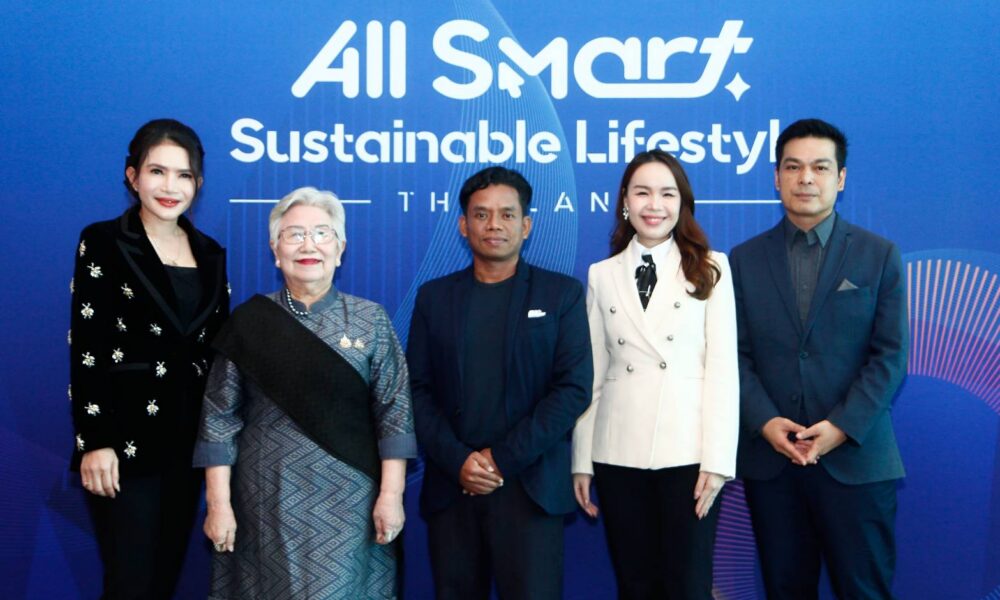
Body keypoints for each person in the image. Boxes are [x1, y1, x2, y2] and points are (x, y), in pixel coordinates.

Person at [193, 186, 416, 599]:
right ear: (275, 250)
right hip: (265, 499)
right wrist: (219, 504)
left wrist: (391, 495)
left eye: (321, 233)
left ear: (340, 248)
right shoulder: (249, 322)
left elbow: (395, 413)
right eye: (294, 234)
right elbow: (219, 418)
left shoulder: (370, 320)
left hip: (353, 502)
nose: (308, 245)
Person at [729, 118, 907, 599]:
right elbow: (733, 356)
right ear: (776, 177)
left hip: (857, 461)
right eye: (793, 167)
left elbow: (890, 356)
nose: (806, 177)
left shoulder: (878, 255)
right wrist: (766, 422)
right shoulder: (742, 260)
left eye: (820, 167)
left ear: (840, 178)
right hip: (774, 465)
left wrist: (841, 427)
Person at [407, 166, 593, 599]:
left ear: (526, 225)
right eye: (482, 214)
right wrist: (459, 460)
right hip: (454, 488)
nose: (494, 225)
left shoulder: (561, 294)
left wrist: (502, 459)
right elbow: (415, 390)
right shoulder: (434, 297)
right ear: (463, 225)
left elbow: (573, 389)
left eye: (507, 214)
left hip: (529, 489)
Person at [69, 118, 230, 598]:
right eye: (157, 171)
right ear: (132, 176)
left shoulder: (211, 253)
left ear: (198, 184)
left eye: (184, 175)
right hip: (123, 445)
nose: (169, 187)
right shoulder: (103, 241)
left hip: (188, 442)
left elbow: (218, 352)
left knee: (162, 582)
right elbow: (88, 344)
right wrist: (95, 441)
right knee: (130, 583)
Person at [571, 149, 739, 599]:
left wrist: (718, 462)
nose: (654, 205)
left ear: (682, 203)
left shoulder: (712, 267)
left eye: (667, 194)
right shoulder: (602, 274)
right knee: (635, 584)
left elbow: (723, 371)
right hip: (617, 452)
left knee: (688, 584)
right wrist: (582, 459)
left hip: (688, 454)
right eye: (642, 192)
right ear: (625, 201)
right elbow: (593, 375)